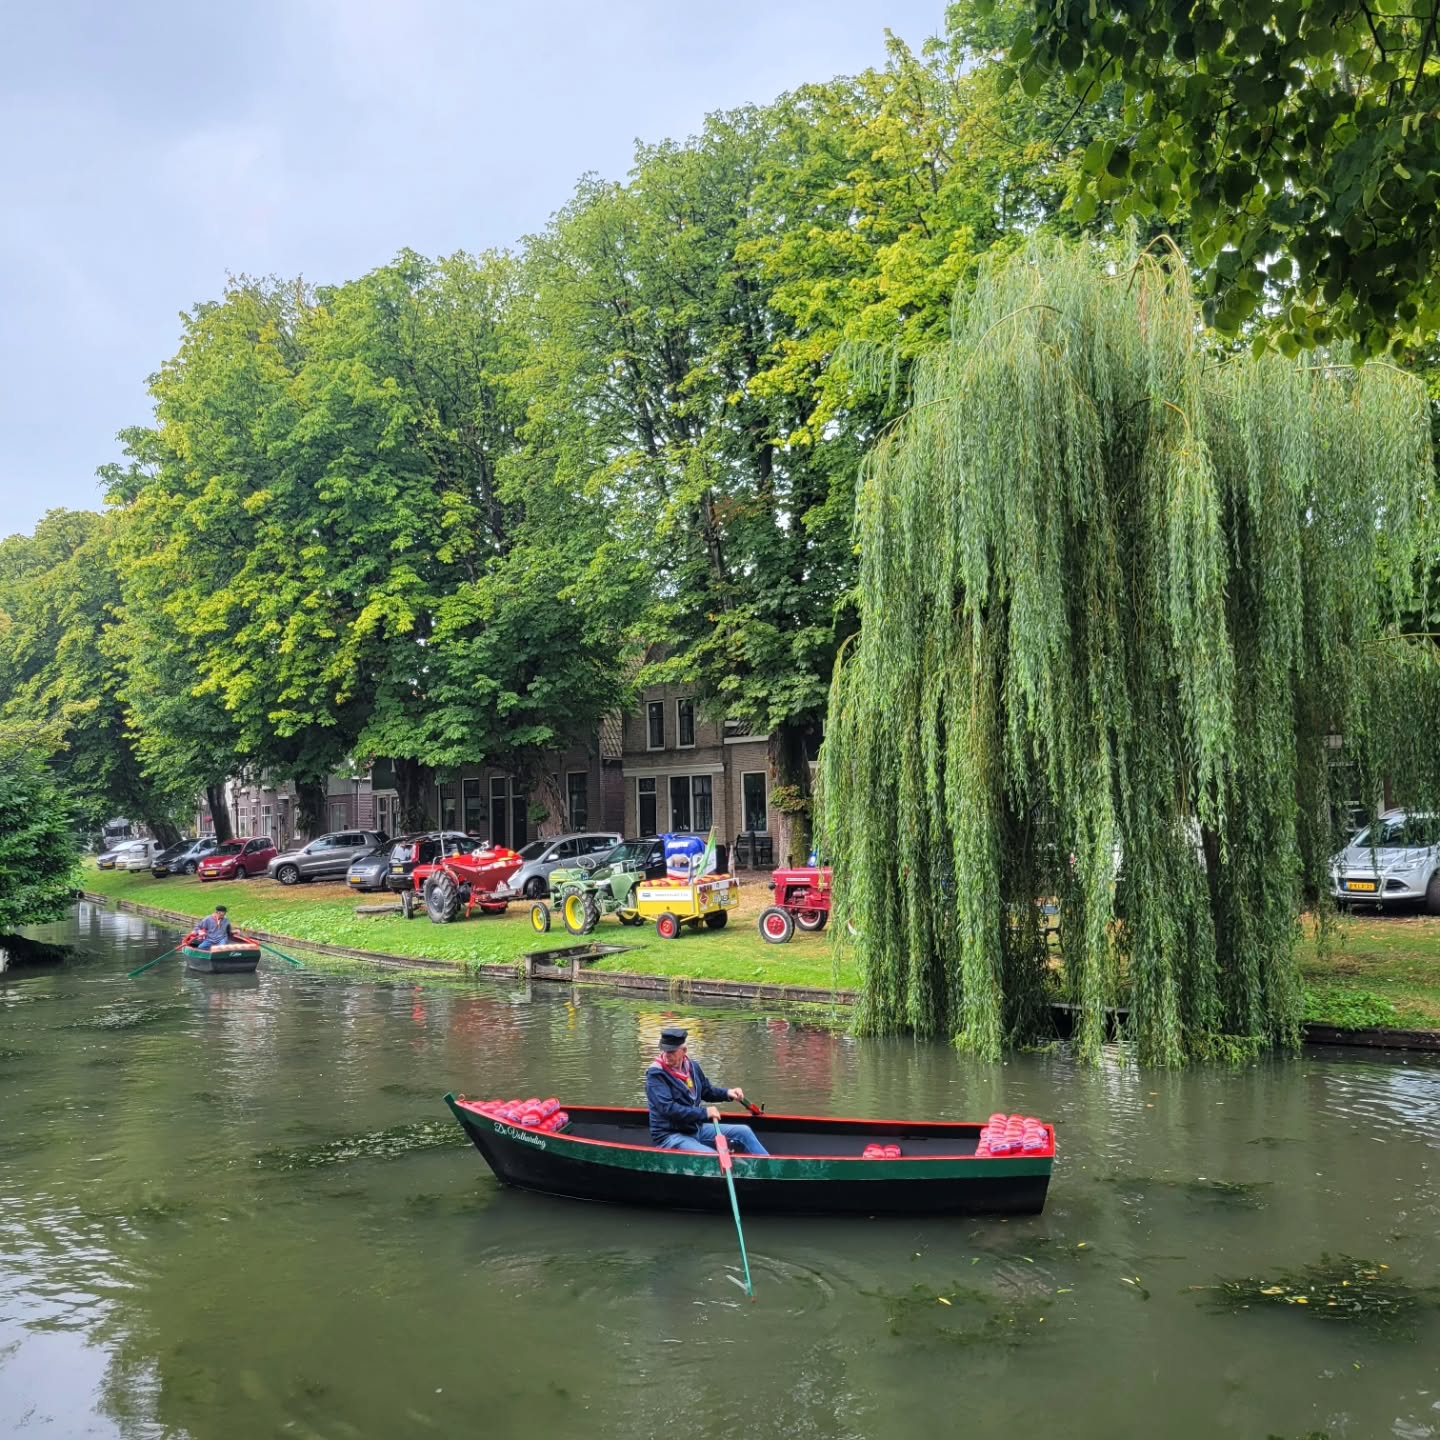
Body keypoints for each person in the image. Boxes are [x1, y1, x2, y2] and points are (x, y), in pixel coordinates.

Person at [646, 1027, 769, 1156]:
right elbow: (668, 1109)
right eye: (664, 1050)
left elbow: (706, 1090)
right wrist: (705, 1113)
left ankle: (770, 1168)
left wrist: (728, 1093)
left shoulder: (692, 1067)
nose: (666, 1055)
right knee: (714, 1157)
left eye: (671, 1051)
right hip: (670, 1136)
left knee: (743, 1132)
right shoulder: (656, 1074)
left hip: (695, 1128)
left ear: (684, 1051)